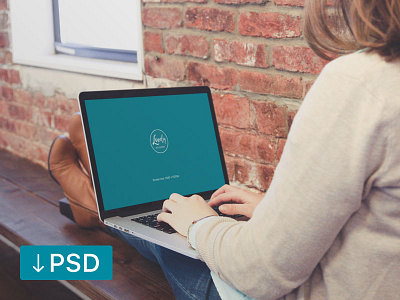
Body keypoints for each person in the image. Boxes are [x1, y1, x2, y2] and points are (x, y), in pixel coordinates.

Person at [48, 0, 400, 298]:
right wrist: (278, 212)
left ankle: (93, 205)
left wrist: (200, 225)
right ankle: (101, 198)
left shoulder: (358, 83)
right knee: (168, 215)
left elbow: (261, 273)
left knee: (166, 228)